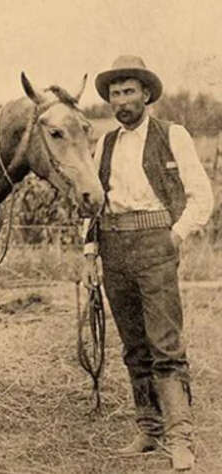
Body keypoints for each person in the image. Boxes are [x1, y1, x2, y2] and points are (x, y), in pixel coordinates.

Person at [83, 56, 214, 471]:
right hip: (113, 246)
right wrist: (89, 253)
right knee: (134, 346)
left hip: (156, 243)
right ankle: (149, 429)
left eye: (128, 92)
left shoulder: (172, 135)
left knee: (166, 346)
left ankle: (181, 437)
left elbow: (202, 196)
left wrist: (175, 235)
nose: (121, 101)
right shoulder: (104, 144)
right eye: (114, 94)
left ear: (145, 94)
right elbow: (90, 202)